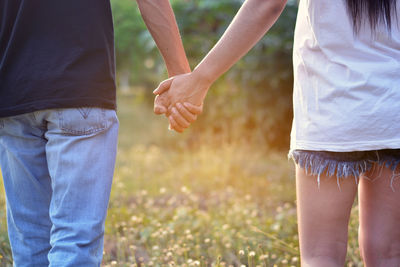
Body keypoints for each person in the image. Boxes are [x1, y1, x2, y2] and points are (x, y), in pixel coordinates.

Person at [154, 0, 400, 266]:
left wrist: (199, 80)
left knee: (321, 256)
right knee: (388, 255)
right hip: (393, 109)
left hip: (332, 108)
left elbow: (266, 4)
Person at [0, 0, 189, 266]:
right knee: (74, 238)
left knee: (29, 241)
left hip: (12, 96)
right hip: (79, 87)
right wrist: (182, 78)